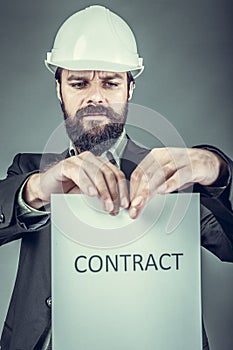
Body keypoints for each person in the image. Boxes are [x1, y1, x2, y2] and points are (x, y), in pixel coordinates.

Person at [0, 5, 232, 350]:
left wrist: (216, 167)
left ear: (129, 90)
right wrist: (36, 188)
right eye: (79, 82)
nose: (95, 96)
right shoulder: (29, 170)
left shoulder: (169, 176)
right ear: (59, 89)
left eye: (110, 82)